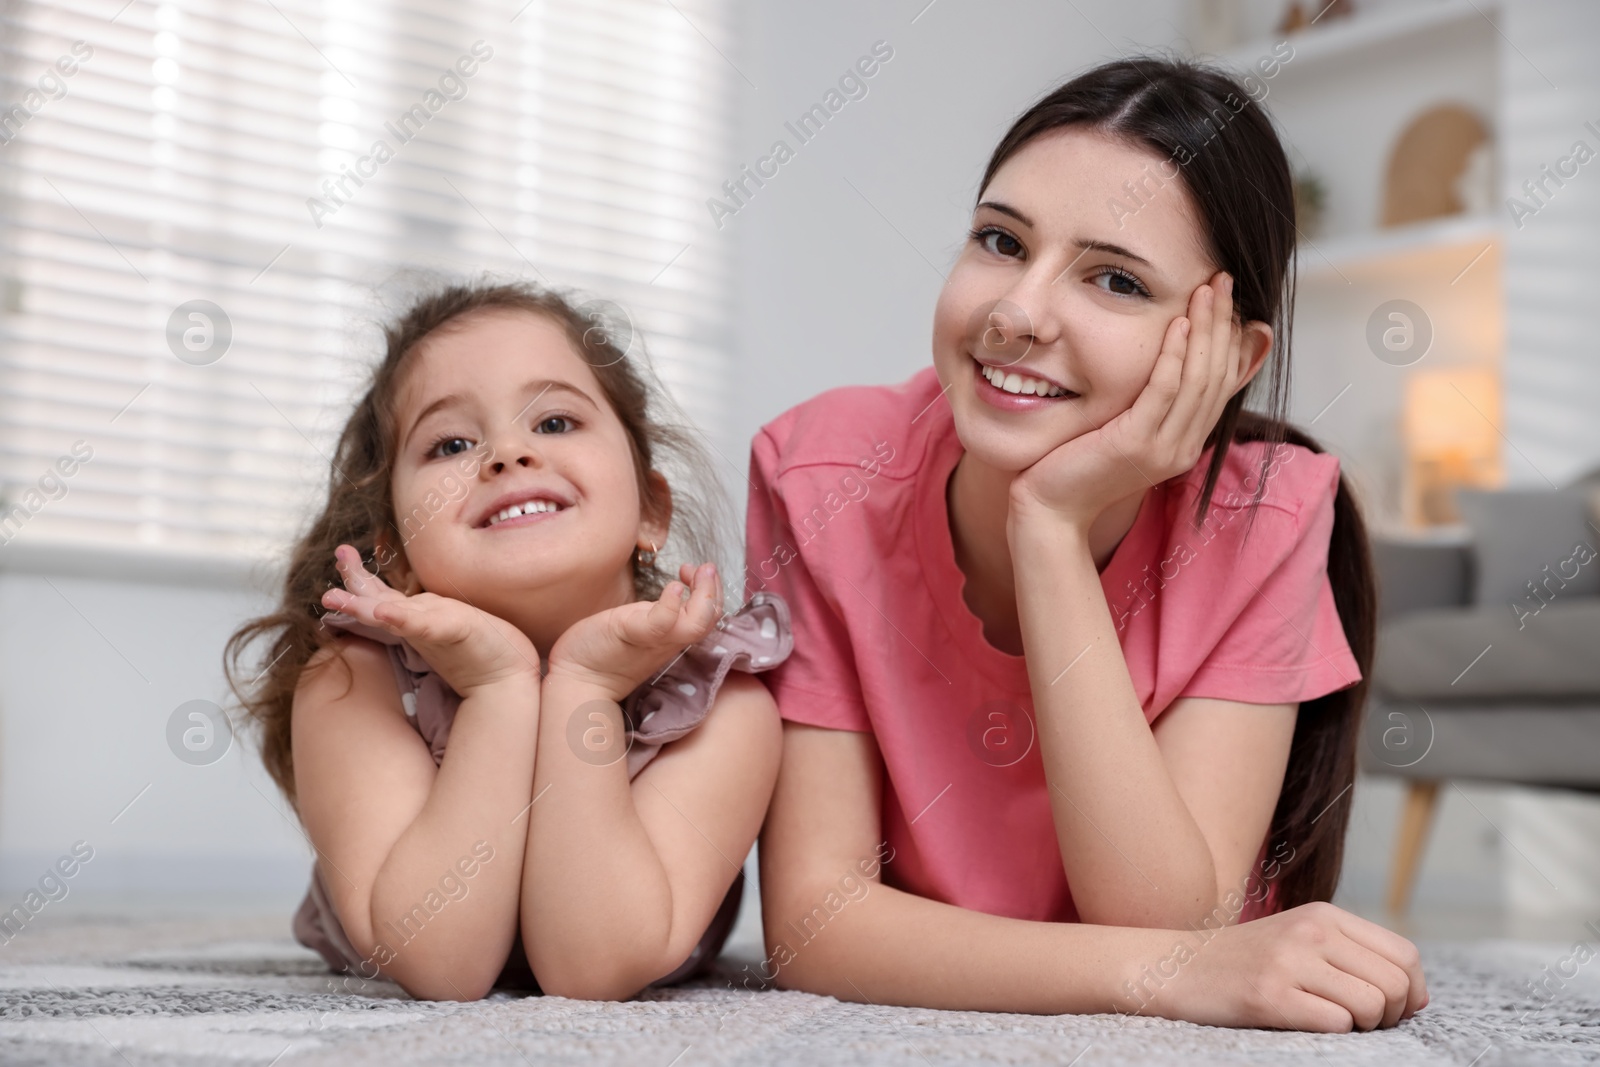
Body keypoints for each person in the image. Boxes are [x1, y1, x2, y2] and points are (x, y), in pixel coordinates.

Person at [748, 58, 1428, 1031]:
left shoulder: (1266, 516)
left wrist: (1050, 530)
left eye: (1113, 278)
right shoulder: (820, 473)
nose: (1016, 313)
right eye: (998, 240)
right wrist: (1164, 971)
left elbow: (1164, 916)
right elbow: (814, 925)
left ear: (1229, 357)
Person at [228, 281, 788, 1001]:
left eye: (554, 422)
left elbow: (594, 965)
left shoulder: (722, 703)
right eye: (452, 443)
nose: (508, 453)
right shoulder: (353, 678)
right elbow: (442, 961)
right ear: (394, 556)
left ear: (651, 510)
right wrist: (498, 689)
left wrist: (583, 685)